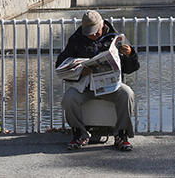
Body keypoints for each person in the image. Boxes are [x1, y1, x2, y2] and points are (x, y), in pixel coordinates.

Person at [55, 10, 139, 152]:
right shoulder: (76, 39)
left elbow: (131, 68)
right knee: (69, 98)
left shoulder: (114, 38)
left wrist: (130, 54)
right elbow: (61, 65)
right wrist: (80, 71)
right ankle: (80, 134)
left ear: (102, 25)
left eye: (96, 32)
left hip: (110, 86)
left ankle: (121, 135)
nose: (93, 35)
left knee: (127, 94)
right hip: (85, 87)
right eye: (89, 33)